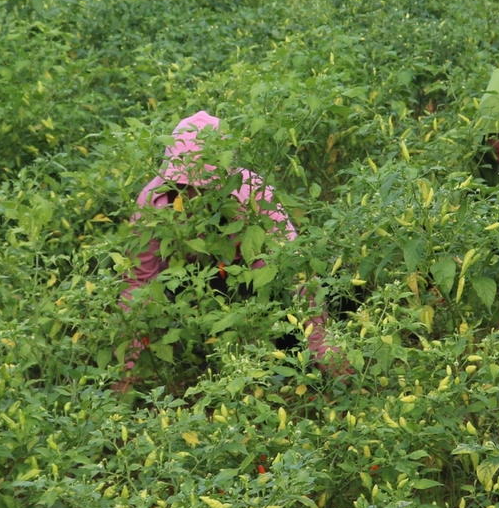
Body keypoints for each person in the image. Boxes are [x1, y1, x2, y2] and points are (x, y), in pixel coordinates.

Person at [121, 112, 340, 378]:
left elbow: (292, 273)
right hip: (188, 288)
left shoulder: (253, 194)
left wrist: (325, 350)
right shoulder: (151, 203)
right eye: (182, 185)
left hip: (253, 282)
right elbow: (138, 283)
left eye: (202, 186)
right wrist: (127, 368)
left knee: (291, 344)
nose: (192, 194)